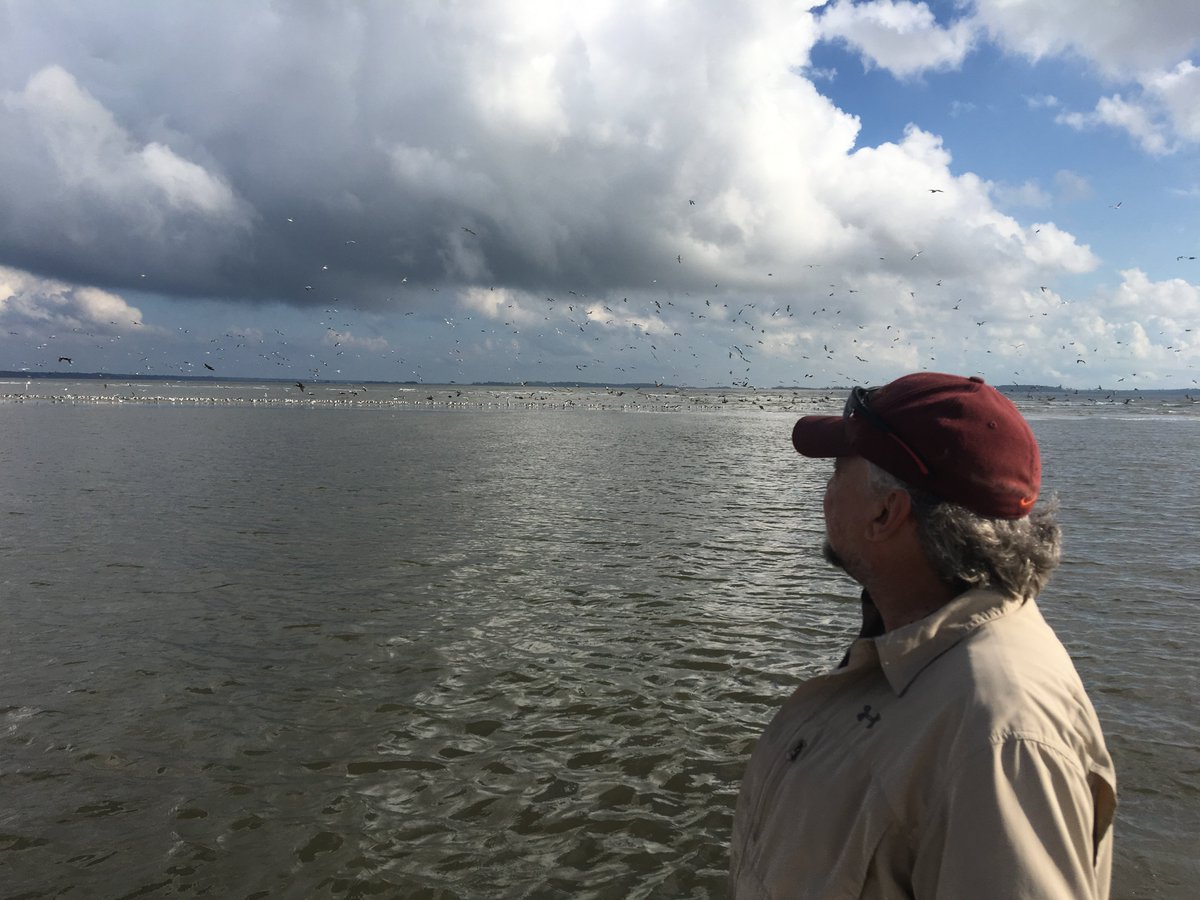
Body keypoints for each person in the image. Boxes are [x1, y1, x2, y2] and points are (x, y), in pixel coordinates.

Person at [730, 372, 1116, 898]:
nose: (825, 492)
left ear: (886, 512)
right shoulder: (914, 648)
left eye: (839, 471)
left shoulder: (1001, 736)